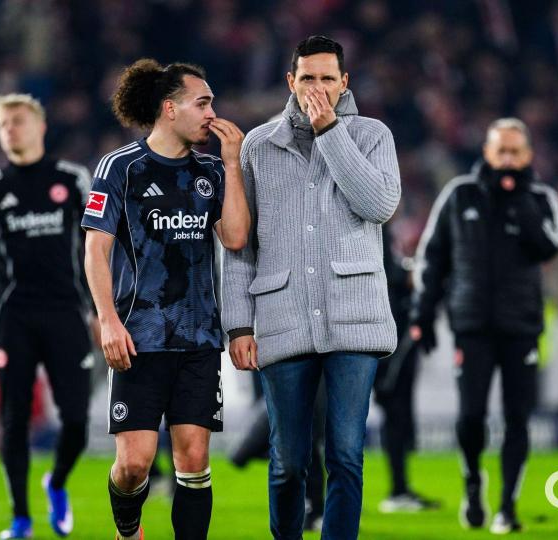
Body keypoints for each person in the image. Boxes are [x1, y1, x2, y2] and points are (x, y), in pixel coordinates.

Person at [222, 35, 401, 540]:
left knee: (345, 453)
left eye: (328, 78)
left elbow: (378, 205)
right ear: (290, 81)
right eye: (308, 78)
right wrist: (237, 323)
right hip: (282, 317)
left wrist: (330, 131)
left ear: (345, 83)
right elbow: (238, 246)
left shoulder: (372, 136)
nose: (317, 87)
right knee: (287, 460)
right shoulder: (258, 146)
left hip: (354, 319)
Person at [82, 59, 248, 540]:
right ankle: (128, 529)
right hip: (139, 338)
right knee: (133, 465)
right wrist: (108, 321)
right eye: (203, 102)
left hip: (198, 338)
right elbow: (95, 248)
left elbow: (236, 237)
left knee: (193, 459)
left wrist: (233, 163)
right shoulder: (121, 168)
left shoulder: (212, 171)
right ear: (169, 108)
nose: (212, 112)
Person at [410, 118, 558, 533]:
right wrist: (422, 316)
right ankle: (473, 481)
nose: (509, 159)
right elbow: (433, 257)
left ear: (529, 156)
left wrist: (520, 203)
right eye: (503, 151)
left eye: (517, 152)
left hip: (522, 326)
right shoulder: (460, 195)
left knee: (518, 417)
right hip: (472, 323)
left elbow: (551, 244)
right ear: (487, 152)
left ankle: (508, 506)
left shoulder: (541, 197)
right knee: (470, 416)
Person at [0, 93, 94, 539]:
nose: (11, 130)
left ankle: (56, 482)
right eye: (3, 125)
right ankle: (20, 518)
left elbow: (96, 251)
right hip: (15, 318)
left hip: (67, 315)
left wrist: (99, 310)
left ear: (41, 126)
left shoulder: (73, 181)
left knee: (76, 420)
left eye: (18, 121)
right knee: (14, 420)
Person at [374, 223, 439, 513]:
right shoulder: (375, 220)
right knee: (395, 412)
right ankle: (397, 490)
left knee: (395, 414)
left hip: (383, 330)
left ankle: (317, 502)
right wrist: (408, 274)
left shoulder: (380, 222)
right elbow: (385, 272)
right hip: (385, 333)